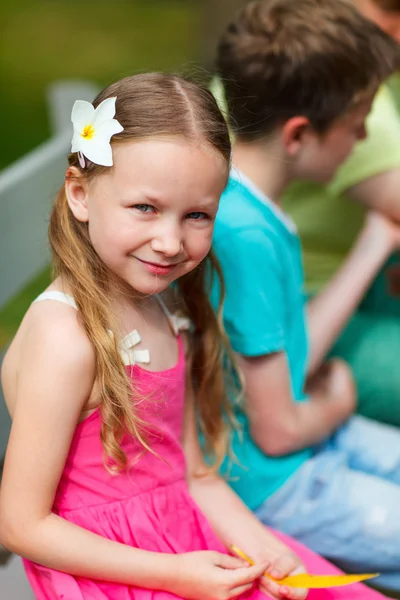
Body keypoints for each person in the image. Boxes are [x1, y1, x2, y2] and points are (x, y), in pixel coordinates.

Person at [0, 72, 379, 600]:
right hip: (113, 573)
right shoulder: (67, 337)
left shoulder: (166, 311)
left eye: (197, 215)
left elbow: (196, 475)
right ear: (80, 194)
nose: (170, 241)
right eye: (145, 208)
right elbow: (20, 526)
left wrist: (263, 550)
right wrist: (178, 576)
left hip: (185, 541)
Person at [212, 0, 400, 591]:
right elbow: (279, 431)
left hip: (293, 441)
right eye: (357, 122)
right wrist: (341, 401)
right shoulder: (242, 236)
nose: (366, 136)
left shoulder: (251, 205)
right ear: (299, 135)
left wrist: (374, 244)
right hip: (275, 482)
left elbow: (285, 360)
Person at [281, 0, 400, 426]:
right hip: (310, 304)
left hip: (358, 280)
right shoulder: (333, 80)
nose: (396, 26)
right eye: (390, 8)